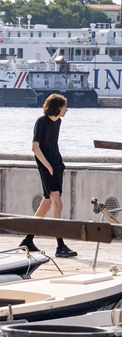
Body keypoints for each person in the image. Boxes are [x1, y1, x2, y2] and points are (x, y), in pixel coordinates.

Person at [22, 94, 78, 258]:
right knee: (58, 204)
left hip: (56, 166)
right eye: (64, 106)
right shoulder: (42, 121)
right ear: (57, 107)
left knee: (46, 205)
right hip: (47, 168)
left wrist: (58, 165)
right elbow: (35, 147)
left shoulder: (58, 122)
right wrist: (48, 166)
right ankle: (60, 246)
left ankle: (27, 240)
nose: (67, 110)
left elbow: (53, 145)